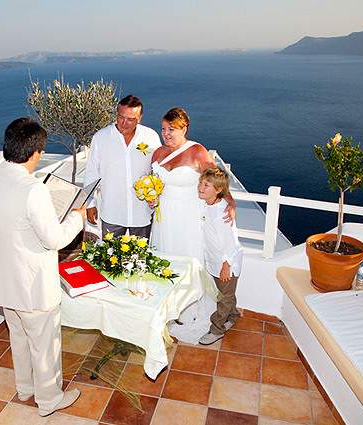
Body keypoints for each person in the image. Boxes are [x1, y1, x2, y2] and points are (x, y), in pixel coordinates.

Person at [0, 118, 85, 417]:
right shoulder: (33, 189)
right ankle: (49, 399)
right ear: (36, 153)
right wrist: (77, 217)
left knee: (19, 337)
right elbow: (54, 239)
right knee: (45, 344)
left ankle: (25, 388)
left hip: (4, 280)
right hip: (33, 284)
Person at [148, 108, 235, 334]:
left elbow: (217, 180)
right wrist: (151, 197)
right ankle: (167, 310)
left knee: (186, 261)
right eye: (164, 129)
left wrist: (231, 202)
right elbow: (153, 183)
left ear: (184, 129)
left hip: (187, 219)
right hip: (162, 217)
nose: (166, 134)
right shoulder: (157, 153)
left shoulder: (196, 151)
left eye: (172, 130)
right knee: (163, 259)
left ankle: (189, 312)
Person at [84, 94, 161, 238]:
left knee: (141, 258)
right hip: (112, 213)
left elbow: (158, 171)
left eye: (131, 119)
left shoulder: (151, 137)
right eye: (121, 117)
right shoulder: (101, 138)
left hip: (142, 213)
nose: (124, 123)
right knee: (109, 258)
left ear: (140, 118)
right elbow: (92, 172)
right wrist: (90, 203)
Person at [196, 166, 244, 345]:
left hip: (227, 263)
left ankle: (217, 329)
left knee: (224, 297)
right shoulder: (207, 205)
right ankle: (233, 315)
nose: (201, 187)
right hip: (216, 261)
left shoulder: (221, 215)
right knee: (226, 293)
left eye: (207, 185)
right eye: (201, 183)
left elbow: (230, 244)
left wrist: (226, 267)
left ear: (218, 190)